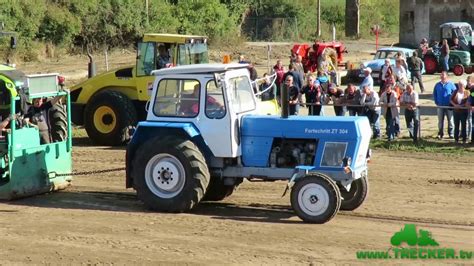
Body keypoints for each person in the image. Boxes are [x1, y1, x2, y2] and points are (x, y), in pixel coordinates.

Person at [433, 71, 455, 139]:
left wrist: (453, 102)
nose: (442, 76)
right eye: (441, 75)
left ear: (446, 76)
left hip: (449, 106)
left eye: (443, 75)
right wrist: (436, 102)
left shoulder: (451, 84)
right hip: (440, 106)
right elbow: (434, 94)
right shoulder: (437, 85)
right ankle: (440, 133)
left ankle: (451, 133)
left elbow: (455, 93)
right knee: (440, 121)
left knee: (450, 120)